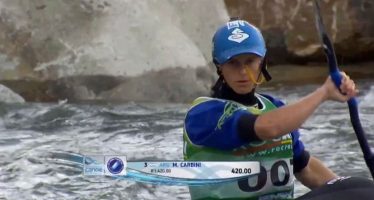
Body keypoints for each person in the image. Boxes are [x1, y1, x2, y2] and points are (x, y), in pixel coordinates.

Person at [183, 18, 360, 199]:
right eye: (233, 63)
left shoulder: (274, 108)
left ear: (262, 62)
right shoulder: (203, 114)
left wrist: (348, 192)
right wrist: (323, 93)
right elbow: (267, 128)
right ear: (219, 66)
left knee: (360, 188)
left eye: (250, 61)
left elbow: (305, 168)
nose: (243, 71)